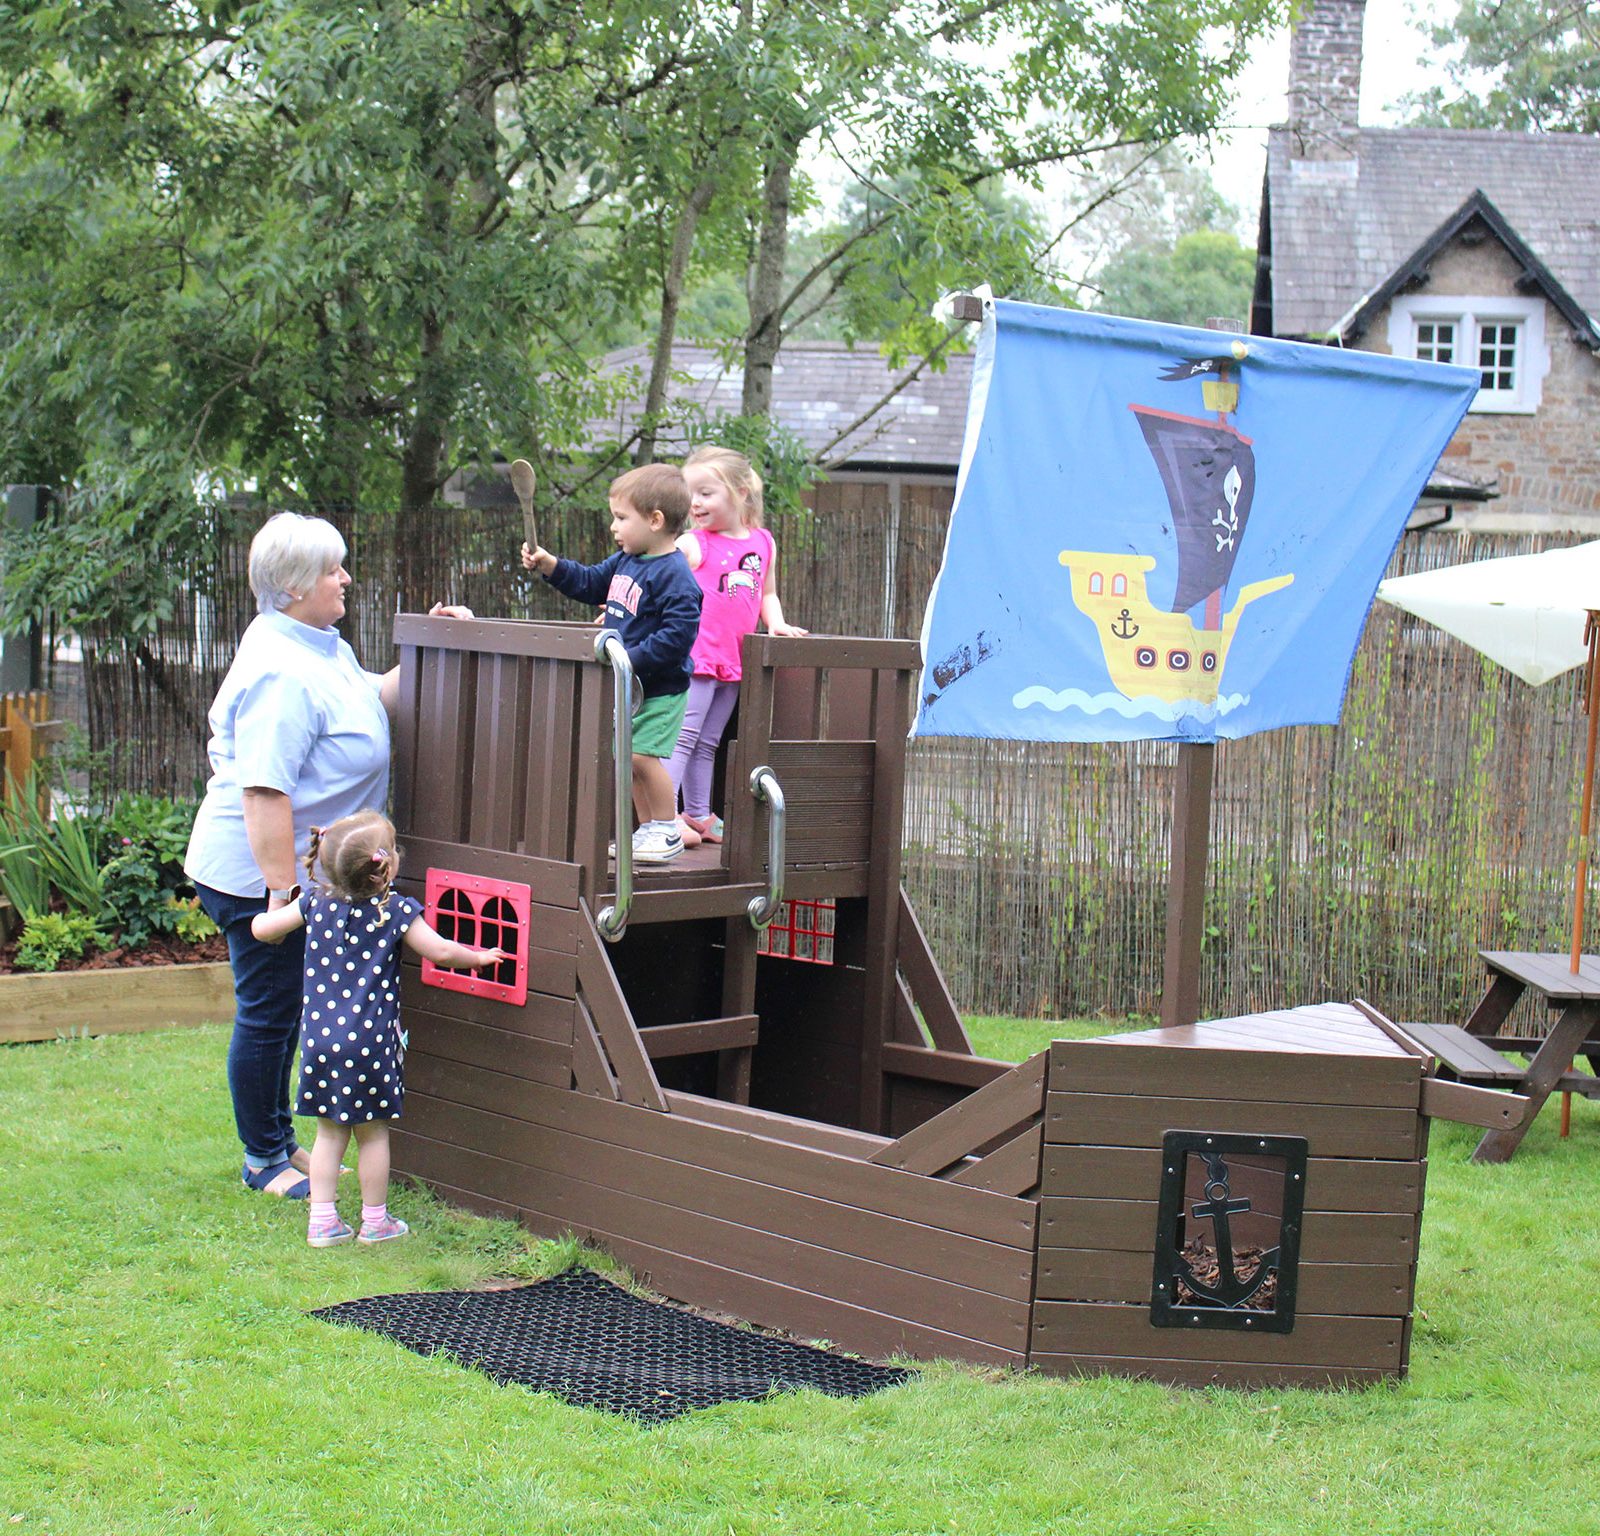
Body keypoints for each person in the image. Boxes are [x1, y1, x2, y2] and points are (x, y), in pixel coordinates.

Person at [184, 511, 472, 1199]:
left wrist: (433, 645)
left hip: (305, 872)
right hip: (258, 871)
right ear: (290, 586)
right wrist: (284, 896)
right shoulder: (281, 671)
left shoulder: (318, 643)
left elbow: (373, 698)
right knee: (271, 1011)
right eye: (330, 569)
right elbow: (263, 792)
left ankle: (282, 1145)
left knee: (287, 1010)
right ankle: (265, 1159)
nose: (344, 577)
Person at [251, 811, 506, 1247]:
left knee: (328, 1133)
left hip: (319, 1042)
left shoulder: (314, 903)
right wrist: (479, 957)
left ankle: (324, 1223)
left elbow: (261, 930)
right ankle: (375, 1222)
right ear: (384, 866)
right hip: (370, 1045)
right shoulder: (398, 911)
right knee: (373, 1135)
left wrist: (274, 905)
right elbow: (440, 951)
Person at [521, 463, 701, 863]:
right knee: (628, 759)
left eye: (622, 518)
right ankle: (648, 831)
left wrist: (624, 659)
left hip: (659, 689)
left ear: (655, 520)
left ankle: (666, 829)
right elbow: (588, 582)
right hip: (628, 688)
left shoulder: (676, 577)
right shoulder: (626, 561)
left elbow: (676, 641)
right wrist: (551, 565)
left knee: (639, 756)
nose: (614, 527)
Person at [667, 445, 806, 847]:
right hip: (695, 659)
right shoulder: (693, 544)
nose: (695, 502)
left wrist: (776, 623)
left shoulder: (763, 542)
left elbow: (767, 593)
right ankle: (663, 818)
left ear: (742, 492)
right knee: (683, 738)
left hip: (732, 660)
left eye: (706, 492)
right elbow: (655, 577)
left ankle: (696, 814)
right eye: (690, 493)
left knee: (709, 741)